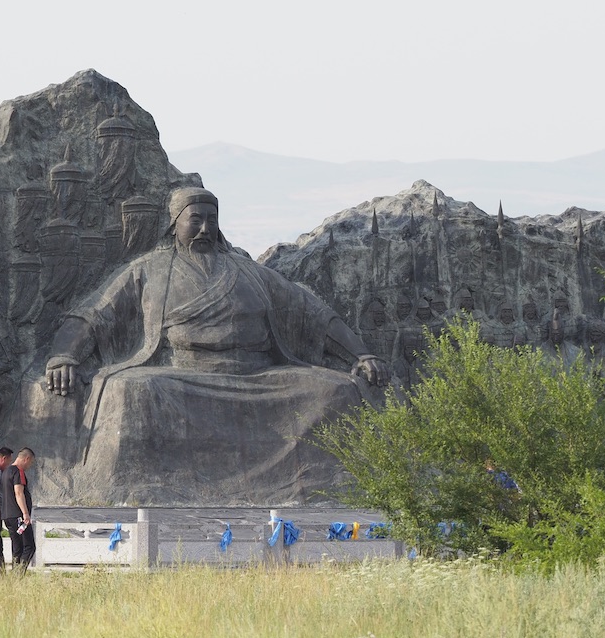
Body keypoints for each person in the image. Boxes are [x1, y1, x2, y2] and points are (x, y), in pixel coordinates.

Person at [33, 187, 387, 502]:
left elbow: (312, 313)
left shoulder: (249, 271)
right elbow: (93, 315)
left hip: (259, 377)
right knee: (131, 390)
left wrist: (360, 353)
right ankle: (139, 489)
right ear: (174, 224)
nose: (205, 229)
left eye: (211, 221)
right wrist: (65, 355)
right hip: (183, 377)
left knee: (336, 389)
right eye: (195, 220)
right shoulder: (148, 269)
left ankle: (327, 487)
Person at [2, 447, 36, 570]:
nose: (29, 465)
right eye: (31, 462)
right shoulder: (18, 471)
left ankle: (14, 575)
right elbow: (19, 493)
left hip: (7, 516)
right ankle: (19, 574)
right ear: (26, 459)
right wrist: (25, 514)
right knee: (29, 547)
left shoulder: (6, 471)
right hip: (18, 517)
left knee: (17, 549)